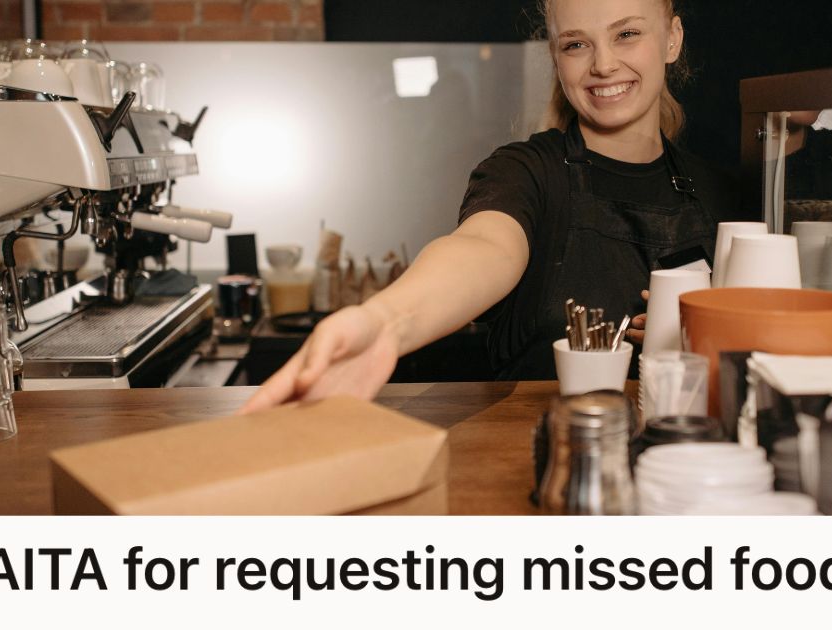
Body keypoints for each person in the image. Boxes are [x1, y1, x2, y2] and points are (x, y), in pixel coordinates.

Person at [243, 0, 740, 413]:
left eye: (627, 34)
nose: (604, 64)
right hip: (537, 473)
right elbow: (482, 247)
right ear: (556, 56)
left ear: (672, 38)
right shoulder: (525, 173)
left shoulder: (719, 192)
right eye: (576, 44)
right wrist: (385, 323)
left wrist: (707, 333)